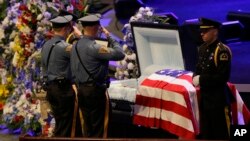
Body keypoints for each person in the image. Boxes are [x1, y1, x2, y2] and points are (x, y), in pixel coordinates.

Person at [70, 14, 125, 137]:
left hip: (81, 90)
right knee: (100, 129)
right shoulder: (95, 47)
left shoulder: (75, 46)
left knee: (88, 128)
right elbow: (120, 53)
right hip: (95, 92)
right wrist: (109, 36)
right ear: (96, 27)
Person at [41, 13, 82, 137]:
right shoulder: (64, 47)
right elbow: (83, 54)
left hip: (51, 88)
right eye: (69, 29)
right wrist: (80, 36)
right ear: (66, 29)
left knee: (60, 124)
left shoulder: (46, 45)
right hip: (62, 90)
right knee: (65, 127)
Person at [192, 18, 232, 140]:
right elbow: (198, 68)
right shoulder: (203, 49)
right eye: (201, 31)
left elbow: (222, 77)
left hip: (218, 100)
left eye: (206, 30)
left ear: (215, 31)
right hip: (205, 99)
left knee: (222, 134)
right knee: (207, 134)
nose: (202, 33)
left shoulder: (222, 51)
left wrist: (201, 80)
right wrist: (195, 77)